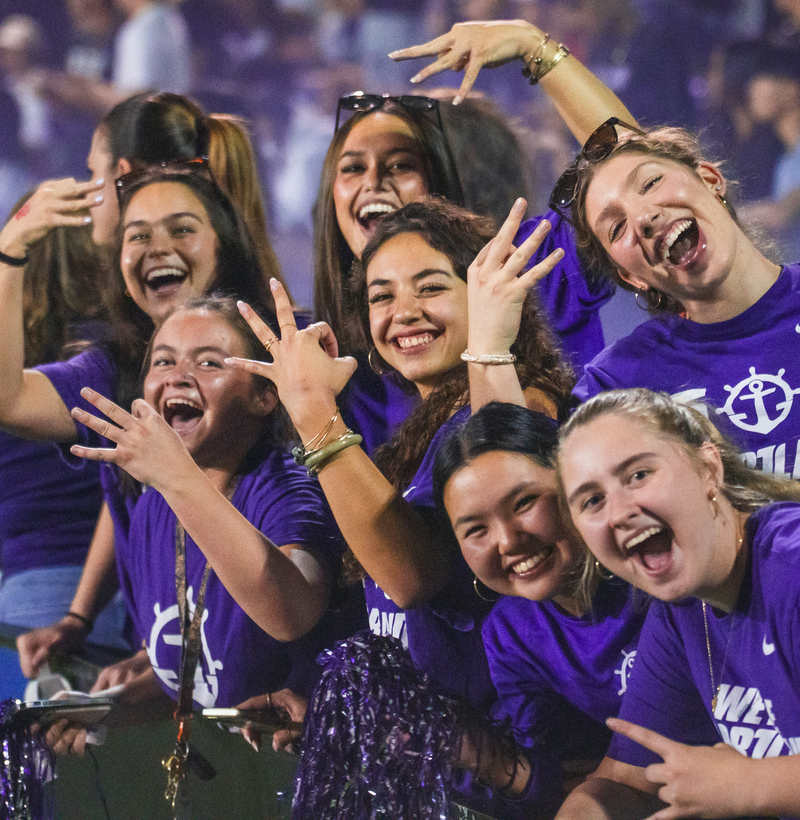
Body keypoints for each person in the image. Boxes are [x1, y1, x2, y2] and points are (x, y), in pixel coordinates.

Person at [16, 91, 290, 678]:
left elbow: (294, 602)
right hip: (183, 663)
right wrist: (82, 618)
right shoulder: (118, 363)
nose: (155, 248)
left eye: (181, 229)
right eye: (137, 236)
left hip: (273, 680)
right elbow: (127, 494)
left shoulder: (279, 355)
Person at [45, 295, 348, 755]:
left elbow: (292, 613)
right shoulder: (152, 507)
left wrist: (178, 480)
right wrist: (104, 706)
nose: (177, 376)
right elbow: (195, 678)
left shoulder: (287, 488)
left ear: (264, 395)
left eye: (208, 363)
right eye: (162, 361)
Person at [555, 388, 800, 820]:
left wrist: (749, 786)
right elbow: (624, 781)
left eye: (638, 475)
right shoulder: (683, 610)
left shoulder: (790, 564)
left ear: (708, 469)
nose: (618, 513)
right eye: (592, 500)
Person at [430, 401, 648, 817]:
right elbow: (565, 778)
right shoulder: (510, 634)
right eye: (476, 529)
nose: (508, 541)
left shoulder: (652, 571)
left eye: (524, 503)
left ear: (573, 483)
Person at [547, 119, 800, 477]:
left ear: (711, 181)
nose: (643, 217)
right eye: (617, 228)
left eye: (651, 182)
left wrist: (542, 59)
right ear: (630, 276)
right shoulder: (620, 384)